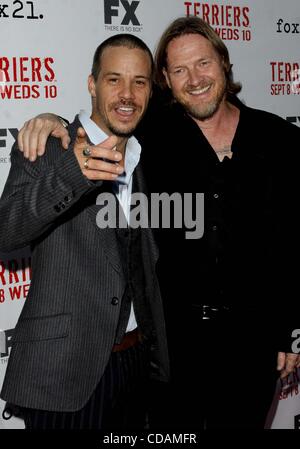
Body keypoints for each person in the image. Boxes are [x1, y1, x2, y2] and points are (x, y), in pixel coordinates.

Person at [14, 17, 300, 429]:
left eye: (203, 63)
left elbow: (292, 243)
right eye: (180, 70)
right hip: (171, 350)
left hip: (253, 346)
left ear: (223, 63)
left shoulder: (282, 141)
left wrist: (289, 329)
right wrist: (49, 119)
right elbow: (105, 117)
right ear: (166, 78)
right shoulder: (153, 134)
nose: (195, 79)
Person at [0, 34, 169, 430]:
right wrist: (73, 174)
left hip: (136, 363)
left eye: (139, 82)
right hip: (65, 369)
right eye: (114, 80)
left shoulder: (147, 156)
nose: (127, 94)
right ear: (92, 84)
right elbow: (5, 231)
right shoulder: (47, 146)